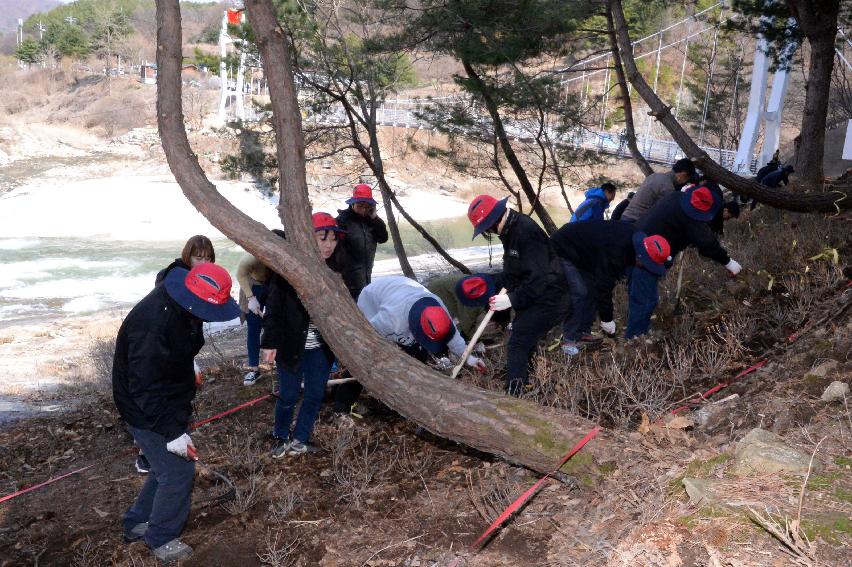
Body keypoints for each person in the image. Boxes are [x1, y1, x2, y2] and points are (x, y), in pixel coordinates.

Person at [113, 263, 240, 563]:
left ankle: (135, 523)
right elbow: (144, 387)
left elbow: (176, 348)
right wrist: (171, 433)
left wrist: (187, 362)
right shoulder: (152, 325)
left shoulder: (181, 302)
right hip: (145, 407)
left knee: (164, 468)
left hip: (167, 397)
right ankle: (160, 537)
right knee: (178, 471)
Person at [261, 214, 347, 457]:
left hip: (320, 347)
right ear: (309, 239)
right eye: (323, 238)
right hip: (290, 345)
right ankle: (280, 436)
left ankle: (300, 438)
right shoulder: (288, 270)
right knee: (288, 395)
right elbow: (273, 309)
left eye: (333, 239)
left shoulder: (335, 272)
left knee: (315, 394)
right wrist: (268, 343)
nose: (329, 245)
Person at [467, 194, 571, 395]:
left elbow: (539, 278)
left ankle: (513, 393)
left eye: (486, 228)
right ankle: (527, 380)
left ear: (494, 220)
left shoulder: (524, 231)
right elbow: (514, 268)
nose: (487, 232)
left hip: (552, 297)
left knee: (518, 342)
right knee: (525, 338)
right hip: (535, 296)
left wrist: (511, 299)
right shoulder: (509, 230)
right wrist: (504, 289)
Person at [133, 236, 216, 476]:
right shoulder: (172, 278)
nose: (203, 262)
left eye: (208, 258)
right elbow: (167, 323)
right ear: (188, 256)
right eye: (198, 257)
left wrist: (191, 359)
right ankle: (145, 453)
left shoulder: (202, 279)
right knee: (155, 399)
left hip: (178, 353)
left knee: (175, 400)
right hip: (158, 352)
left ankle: (167, 444)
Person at [634, 183, 742, 338]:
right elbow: (706, 243)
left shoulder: (676, 197)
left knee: (645, 295)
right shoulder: (690, 217)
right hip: (648, 254)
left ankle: (640, 331)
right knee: (645, 297)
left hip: (641, 241)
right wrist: (728, 262)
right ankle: (637, 338)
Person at [551, 220, 671, 354]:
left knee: (590, 290)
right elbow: (603, 285)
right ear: (640, 256)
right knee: (580, 292)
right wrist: (607, 319)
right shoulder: (616, 251)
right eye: (646, 264)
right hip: (563, 248)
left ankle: (582, 333)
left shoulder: (639, 241)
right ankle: (569, 339)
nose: (645, 267)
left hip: (587, 255)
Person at [356, 275, 486, 369]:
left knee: (418, 353)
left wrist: (469, 359)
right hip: (372, 300)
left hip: (404, 291)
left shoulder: (438, 310)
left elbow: (454, 339)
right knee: (405, 348)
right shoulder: (389, 320)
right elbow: (366, 334)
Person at [336, 184, 389, 299]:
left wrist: (375, 218)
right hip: (347, 279)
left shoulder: (372, 221)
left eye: (367, 206)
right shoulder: (342, 221)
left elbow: (383, 238)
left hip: (366, 276)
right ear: (353, 204)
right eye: (360, 206)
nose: (363, 210)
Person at [620, 158, 697, 222]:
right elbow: (670, 212)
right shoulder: (668, 187)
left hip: (625, 215)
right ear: (683, 175)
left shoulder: (654, 176)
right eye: (686, 179)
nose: (684, 182)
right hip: (636, 220)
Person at [236, 252, 272, 385]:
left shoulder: (280, 254)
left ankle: (284, 366)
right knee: (253, 328)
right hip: (253, 286)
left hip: (273, 285)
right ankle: (254, 369)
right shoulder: (251, 257)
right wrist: (251, 298)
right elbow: (240, 275)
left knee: (278, 324)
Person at [425, 273, 494, 340]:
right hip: (439, 291)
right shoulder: (473, 303)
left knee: (461, 314)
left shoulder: (487, 296)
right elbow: (466, 319)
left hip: (453, 286)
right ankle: (461, 337)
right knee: (453, 317)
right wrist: (474, 338)